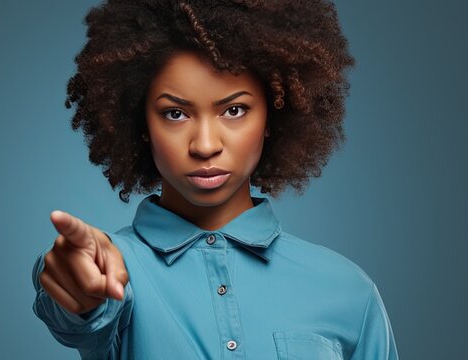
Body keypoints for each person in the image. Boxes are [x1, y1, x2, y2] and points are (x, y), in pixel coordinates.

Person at [31, 0, 399, 359]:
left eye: (234, 110)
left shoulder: (348, 291)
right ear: (141, 123)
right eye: (175, 114)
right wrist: (78, 289)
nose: (205, 145)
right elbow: (77, 311)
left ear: (272, 115)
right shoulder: (116, 270)